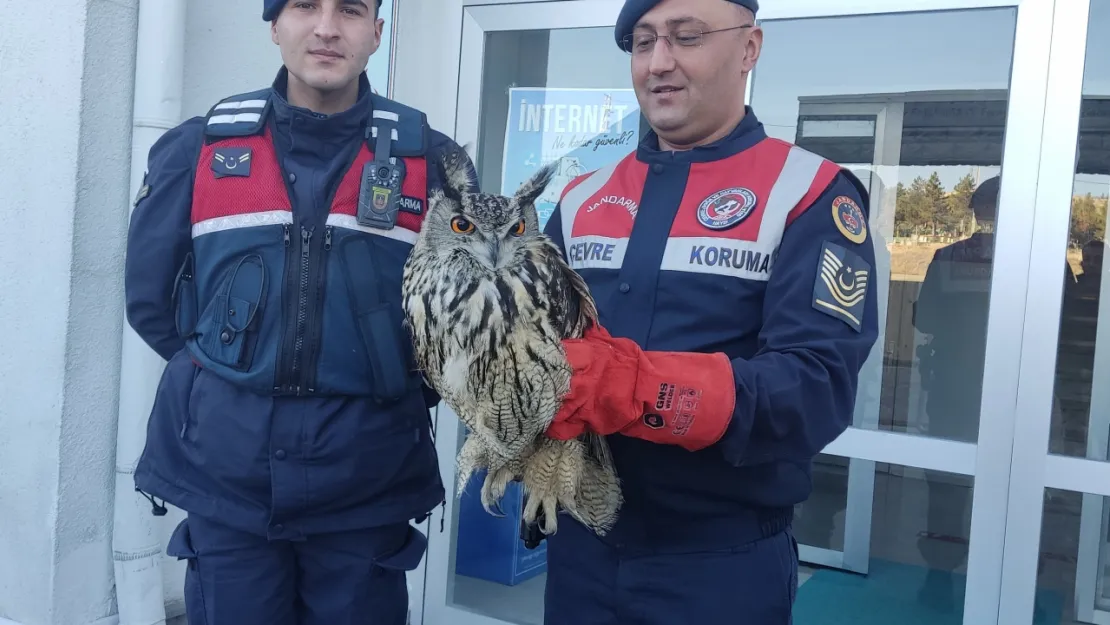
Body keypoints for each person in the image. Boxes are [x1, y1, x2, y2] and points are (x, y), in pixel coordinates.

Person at [123, 1, 478, 623]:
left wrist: (388, 387)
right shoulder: (198, 148)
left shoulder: (434, 162)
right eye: (304, 6)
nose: (326, 27)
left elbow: (462, 320)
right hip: (227, 483)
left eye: (350, 9)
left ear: (376, 32)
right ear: (274, 26)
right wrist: (227, 388)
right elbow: (152, 301)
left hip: (366, 484)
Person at [536, 0, 879, 623]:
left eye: (686, 37)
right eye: (642, 43)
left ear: (749, 49)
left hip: (718, 564)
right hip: (578, 550)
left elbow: (815, 387)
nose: (659, 63)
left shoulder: (808, 192)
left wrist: (643, 389)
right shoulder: (580, 197)